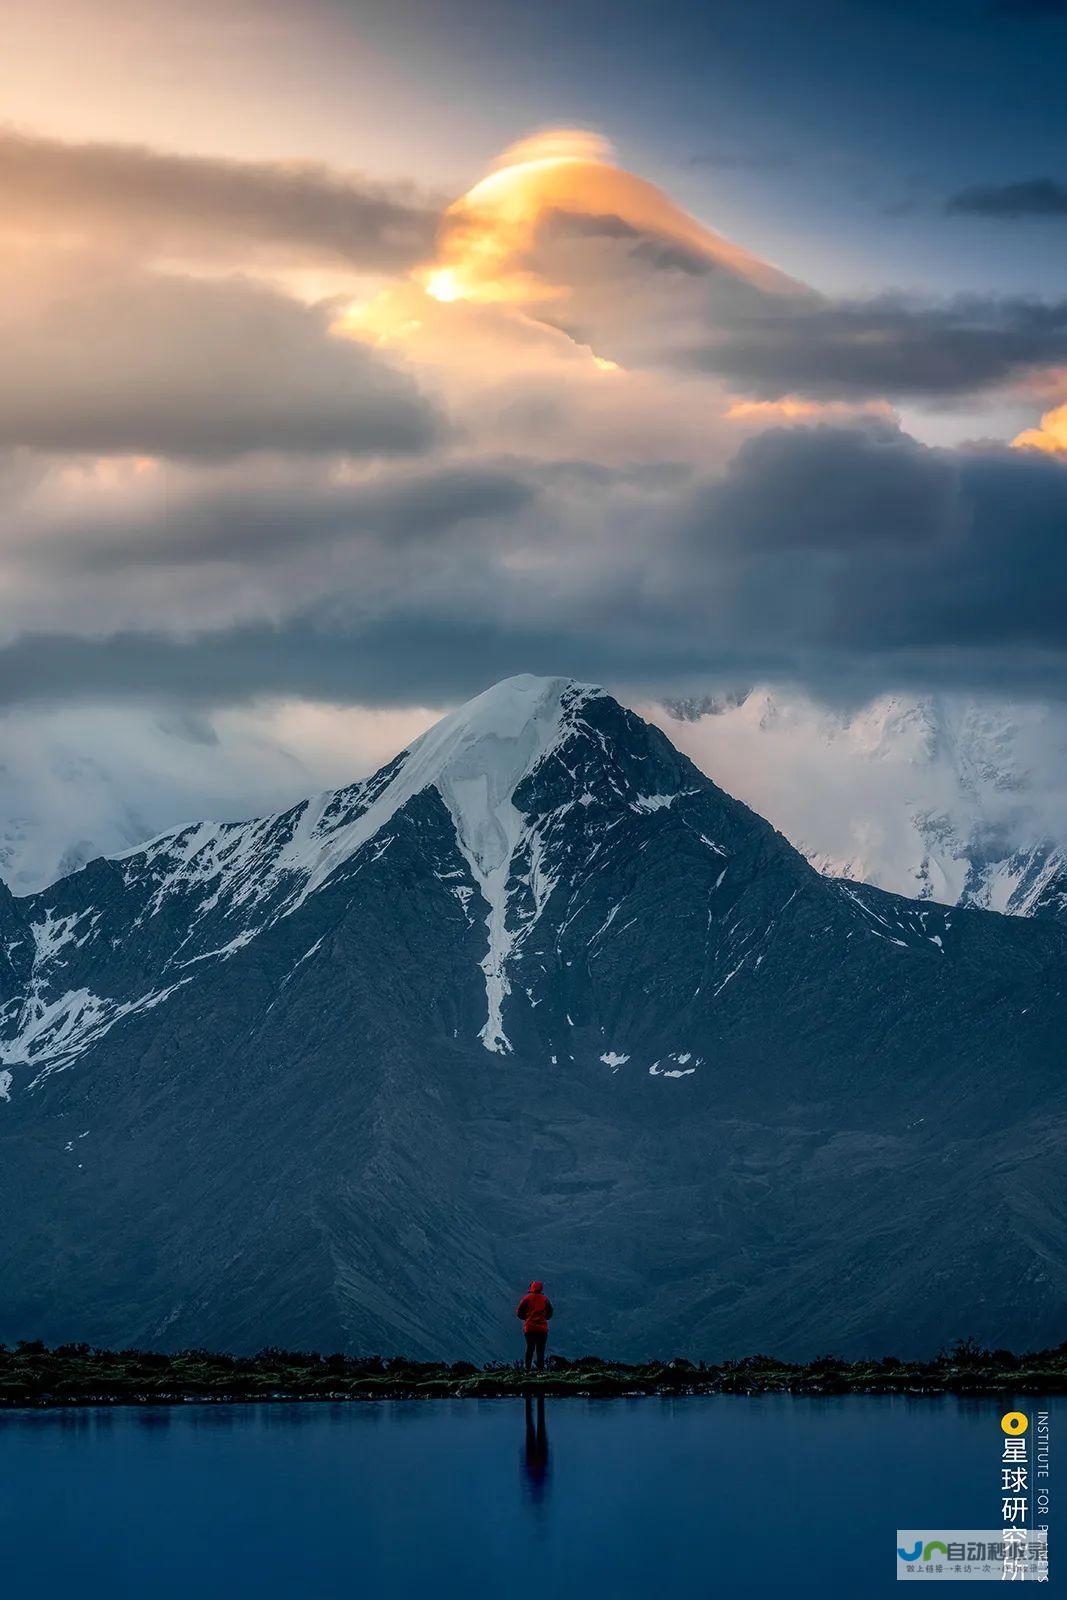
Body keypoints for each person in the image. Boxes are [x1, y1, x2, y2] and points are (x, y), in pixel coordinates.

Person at [516, 1279, 553, 1370]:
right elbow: (550, 1313)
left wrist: (526, 1318)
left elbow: (519, 1312)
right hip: (542, 1329)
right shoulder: (545, 1299)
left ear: (531, 1288)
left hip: (530, 1328)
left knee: (530, 1348)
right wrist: (544, 1318)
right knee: (540, 1350)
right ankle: (540, 1370)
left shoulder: (526, 1298)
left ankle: (527, 1369)